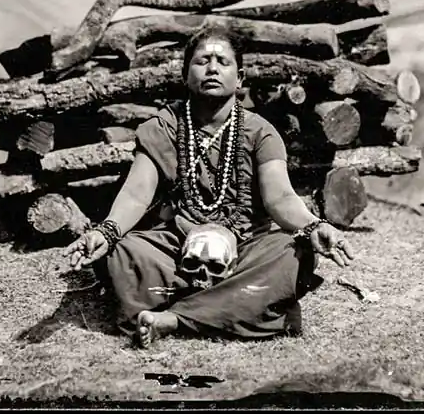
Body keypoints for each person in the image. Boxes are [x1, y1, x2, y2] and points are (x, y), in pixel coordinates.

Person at [65, 28, 355, 348]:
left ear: (239, 78)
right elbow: (136, 194)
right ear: (185, 74)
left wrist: (313, 225)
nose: (213, 68)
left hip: (245, 248)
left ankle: (174, 318)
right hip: (178, 247)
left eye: (223, 62)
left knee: (293, 254)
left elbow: (281, 197)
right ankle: (235, 306)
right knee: (123, 252)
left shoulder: (261, 132)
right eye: (203, 61)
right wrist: (107, 231)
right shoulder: (163, 127)